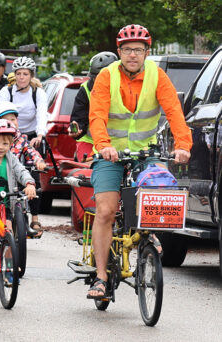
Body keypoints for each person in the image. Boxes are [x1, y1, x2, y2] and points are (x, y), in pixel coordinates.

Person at [86, 24, 192, 299]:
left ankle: (149, 237)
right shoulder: (107, 76)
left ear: (147, 51)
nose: (133, 55)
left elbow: (174, 112)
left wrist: (182, 146)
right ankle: (100, 276)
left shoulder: (158, 76)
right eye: (127, 50)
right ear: (119, 51)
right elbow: (96, 115)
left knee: (158, 197)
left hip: (146, 153)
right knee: (106, 210)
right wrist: (104, 145)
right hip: (110, 153)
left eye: (138, 50)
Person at [0, 102, 46, 238]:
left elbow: (31, 151)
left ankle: (30, 220)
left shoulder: (22, 140)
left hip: (18, 178)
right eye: (6, 120)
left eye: (13, 119)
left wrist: (39, 161)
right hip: (0, 179)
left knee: (33, 184)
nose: (11, 123)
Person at [69, 52, 118, 161]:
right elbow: (78, 119)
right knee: (90, 169)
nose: (100, 82)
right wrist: (76, 130)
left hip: (117, 142)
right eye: (97, 78)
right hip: (90, 141)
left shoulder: (123, 88)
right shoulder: (85, 90)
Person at [0, 56, 48, 149]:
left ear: (31, 76)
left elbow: (42, 115)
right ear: (15, 75)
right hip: (10, 133)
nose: (21, 77)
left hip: (32, 135)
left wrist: (40, 135)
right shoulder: (6, 92)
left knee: (37, 156)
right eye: (18, 74)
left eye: (25, 74)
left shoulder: (38, 93)